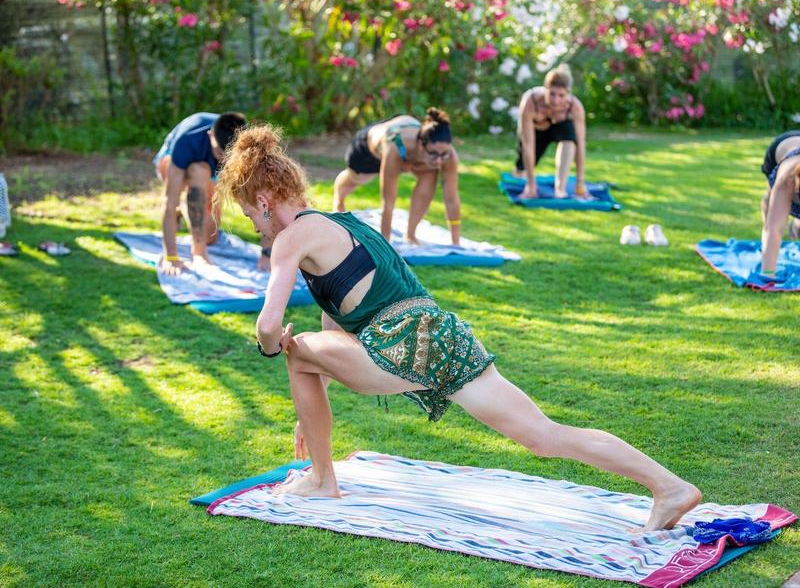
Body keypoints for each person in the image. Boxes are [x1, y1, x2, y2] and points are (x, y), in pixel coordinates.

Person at [216, 123, 702, 532]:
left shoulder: (291, 239)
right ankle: (669, 486)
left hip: (402, 342)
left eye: (249, 217)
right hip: (444, 336)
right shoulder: (346, 225)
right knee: (542, 435)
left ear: (263, 201)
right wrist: (310, 403)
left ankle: (323, 479)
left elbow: (270, 325)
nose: (256, 229)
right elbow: (335, 334)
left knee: (294, 347)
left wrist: (271, 346)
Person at [154, 111, 271, 275]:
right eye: (220, 153)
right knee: (199, 170)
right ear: (210, 136)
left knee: (210, 238)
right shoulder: (187, 140)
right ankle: (198, 253)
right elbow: (169, 202)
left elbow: (265, 203)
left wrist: (268, 254)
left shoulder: (249, 148)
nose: (224, 160)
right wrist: (171, 257)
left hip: (209, 176)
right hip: (173, 164)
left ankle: (188, 208)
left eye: (230, 156)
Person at [332, 108, 461, 246]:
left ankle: (411, 234)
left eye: (443, 155)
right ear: (420, 144)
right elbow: (388, 201)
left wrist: (456, 243)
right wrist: (385, 244)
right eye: (433, 154)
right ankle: (338, 200)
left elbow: (451, 199)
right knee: (359, 178)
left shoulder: (447, 155)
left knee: (429, 176)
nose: (439, 161)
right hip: (370, 149)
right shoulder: (395, 146)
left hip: (408, 146)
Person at [515, 64, 588, 200]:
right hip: (536, 133)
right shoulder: (531, 101)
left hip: (559, 129)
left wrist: (580, 183)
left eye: (561, 95)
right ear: (545, 89)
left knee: (570, 138)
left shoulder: (574, 107)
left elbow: (581, 145)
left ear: (568, 93)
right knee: (522, 168)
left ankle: (560, 188)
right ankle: (521, 172)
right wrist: (531, 186)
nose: (556, 100)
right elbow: (528, 146)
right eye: (552, 94)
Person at [759, 130, 800, 278]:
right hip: (782, 148)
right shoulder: (786, 179)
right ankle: (766, 248)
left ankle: (797, 223)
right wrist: (768, 273)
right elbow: (774, 228)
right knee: (773, 206)